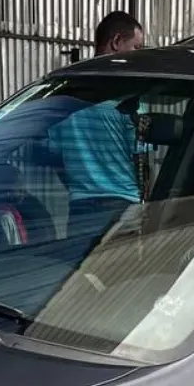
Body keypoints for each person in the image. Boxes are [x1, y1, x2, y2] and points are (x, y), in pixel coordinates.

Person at [48, 12, 147, 242]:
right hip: (123, 210)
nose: (140, 55)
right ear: (116, 42)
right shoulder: (129, 99)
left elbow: (55, 156)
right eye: (136, 47)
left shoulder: (64, 96)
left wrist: (80, 183)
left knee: (78, 277)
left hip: (79, 210)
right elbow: (142, 162)